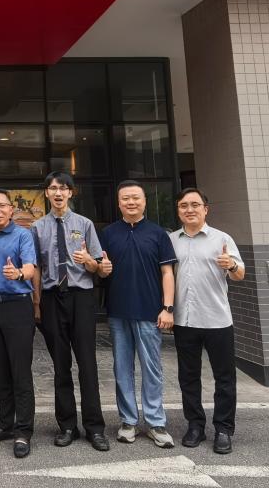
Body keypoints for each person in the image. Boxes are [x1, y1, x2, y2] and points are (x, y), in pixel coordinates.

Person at [31, 171, 109, 452]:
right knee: (61, 365)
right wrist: (37, 303)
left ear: (71, 193)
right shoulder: (37, 227)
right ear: (47, 193)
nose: (58, 193)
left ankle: (95, 428)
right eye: (53, 188)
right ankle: (66, 426)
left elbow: (97, 267)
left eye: (63, 188)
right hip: (52, 298)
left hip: (81, 297)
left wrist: (89, 260)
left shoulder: (84, 224)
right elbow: (36, 268)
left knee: (87, 364)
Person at [98, 179, 178, 449]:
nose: (131, 202)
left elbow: (167, 273)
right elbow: (100, 271)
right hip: (118, 312)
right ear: (118, 203)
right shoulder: (108, 233)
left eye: (135, 198)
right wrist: (101, 269)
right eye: (125, 198)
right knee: (122, 369)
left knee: (152, 369)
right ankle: (128, 421)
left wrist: (168, 308)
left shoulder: (158, 234)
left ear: (144, 201)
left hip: (150, 312)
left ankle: (155, 422)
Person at [169, 188, 245, 455]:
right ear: (178, 210)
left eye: (195, 205)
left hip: (217, 320)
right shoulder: (171, 240)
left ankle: (223, 429)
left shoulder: (222, 239)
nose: (189, 210)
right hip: (184, 320)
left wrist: (231, 265)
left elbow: (240, 274)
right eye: (183, 205)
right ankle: (195, 425)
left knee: (224, 378)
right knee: (188, 377)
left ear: (205, 209)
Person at [0, 189, 37, 459]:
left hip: (17, 306)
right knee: (0, 370)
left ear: (11, 209)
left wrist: (18, 273)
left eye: (2, 205)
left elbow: (31, 268)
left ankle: (23, 431)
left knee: (20, 371)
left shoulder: (23, 235)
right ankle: (5, 424)